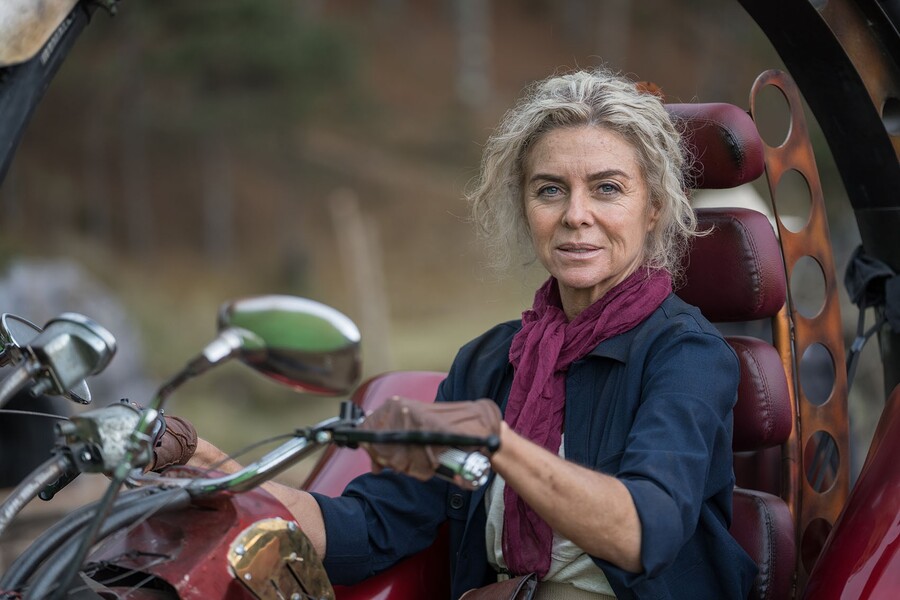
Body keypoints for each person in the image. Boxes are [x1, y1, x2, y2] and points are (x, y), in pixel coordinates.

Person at [185, 67, 757, 599]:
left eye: (607, 188)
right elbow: (375, 525)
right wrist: (219, 475)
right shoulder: (488, 361)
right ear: (525, 206)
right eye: (550, 189)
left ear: (653, 207)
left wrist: (498, 443)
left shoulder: (688, 355)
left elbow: (645, 533)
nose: (575, 214)